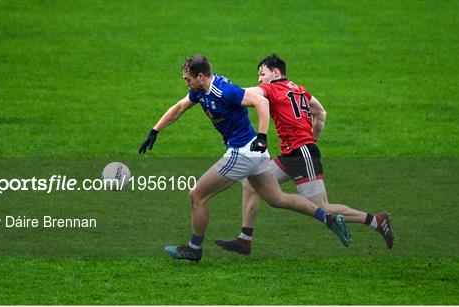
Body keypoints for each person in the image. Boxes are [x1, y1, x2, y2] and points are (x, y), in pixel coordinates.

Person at [138, 54, 351, 262]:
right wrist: (155, 130)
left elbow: (261, 102)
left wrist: (262, 135)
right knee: (277, 198)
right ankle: (329, 218)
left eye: (188, 79)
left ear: (201, 76)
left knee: (197, 196)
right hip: (254, 154)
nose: (186, 84)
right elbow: (179, 108)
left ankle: (194, 249)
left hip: (242, 152)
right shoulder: (200, 91)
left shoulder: (225, 91)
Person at [214, 54, 395, 256]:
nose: (259, 79)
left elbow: (242, 94)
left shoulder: (271, 88)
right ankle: (244, 240)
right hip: (292, 154)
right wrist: (312, 139)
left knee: (322, 208)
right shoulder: (301, 90)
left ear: (275, 72)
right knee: (250, 183)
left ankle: (376, 220)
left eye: (261, 74)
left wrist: (217, 87)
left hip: (301, 154)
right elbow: (321, 114)